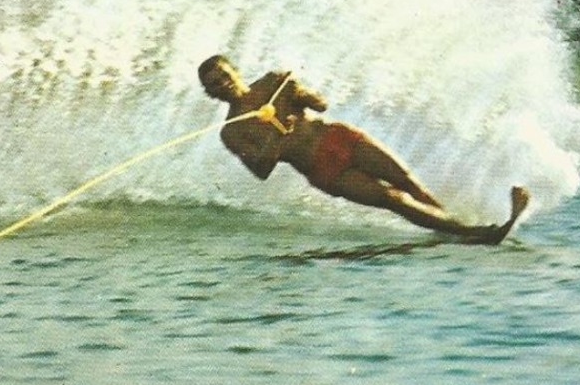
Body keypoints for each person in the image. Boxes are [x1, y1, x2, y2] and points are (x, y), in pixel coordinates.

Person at [197, 55, 529, 244]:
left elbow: (321, 105)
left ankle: (454, 230)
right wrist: (273, 142)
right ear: (210, 93)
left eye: (224, 75)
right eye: (214, 85)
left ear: (235, 71)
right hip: (321, 169)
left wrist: (303, 96)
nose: (223, 84)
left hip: (338, 137)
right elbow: (262, 172)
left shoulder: (274, 82)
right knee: (391, 198)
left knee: (406, 181)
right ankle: (471, 232)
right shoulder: (233, 130)